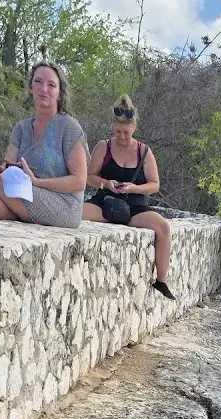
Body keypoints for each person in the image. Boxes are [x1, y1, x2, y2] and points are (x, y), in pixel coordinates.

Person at [0, 61, 88, 228]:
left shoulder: (69, 127)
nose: (44, 88)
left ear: (59, 93)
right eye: (38, 81)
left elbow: (79, 182)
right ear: (30, 87)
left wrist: (37, 182)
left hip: (63, 205)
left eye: (51, 85)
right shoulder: (21, 129)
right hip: (25, 196)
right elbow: (7, 168)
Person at [84, 95, 175, 300]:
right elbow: (88, 176)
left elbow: (154, 185)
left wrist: (134, 188)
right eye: (117, 131)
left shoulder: (144, 151)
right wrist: (106, 183)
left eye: (125, 132)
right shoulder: (104, 146)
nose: (122, 136)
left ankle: (161, 280)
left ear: (134, 127)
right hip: (105, 201)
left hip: (135, 205)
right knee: (72, 215)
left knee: (163, 228)